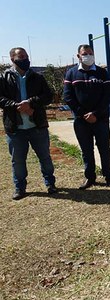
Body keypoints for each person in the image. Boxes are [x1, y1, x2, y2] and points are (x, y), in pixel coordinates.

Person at [0, 47, 57, 200]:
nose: (25, 59)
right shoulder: (4, 77)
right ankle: (20, 188)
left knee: (45, 157)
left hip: (37, 126)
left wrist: (31, 103)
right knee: (17, 161)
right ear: (12, 59)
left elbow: (48, 96)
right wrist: (16, 106)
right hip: (15, 128)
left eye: (26, 56)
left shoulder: (37, 77)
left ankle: (50, 184)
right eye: (21, 57)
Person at [63, 44, 110, 190]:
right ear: (78, 55)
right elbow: (68, 97)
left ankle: (108, 176)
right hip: (81, 121)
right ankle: (90, 177)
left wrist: (95, 114)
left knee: (104, 149)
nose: (88, 56)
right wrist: (83, 114)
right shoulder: (71, 73)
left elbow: (108, 96)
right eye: (85, 53)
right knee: (86, 150)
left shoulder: (102, 73)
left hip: (100, 119)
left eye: (91, 53)